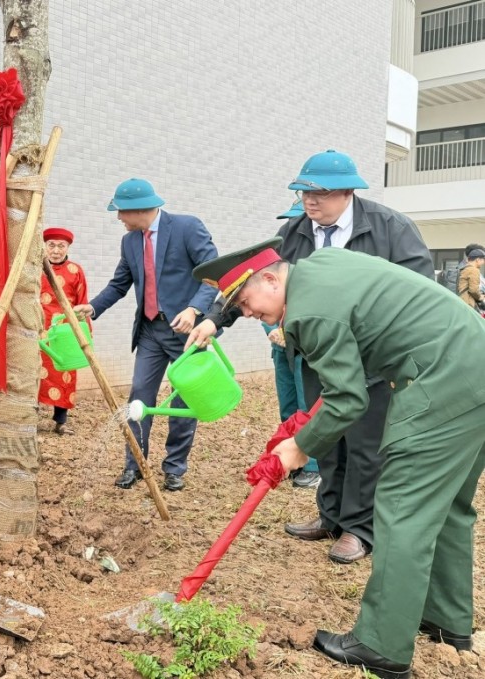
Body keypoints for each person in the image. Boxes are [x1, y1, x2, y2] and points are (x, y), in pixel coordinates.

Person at [193, 239, 485, 679]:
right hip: (473, 364)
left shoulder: (309, 311)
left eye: (245, 301)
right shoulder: (321, 267)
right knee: (448, 507)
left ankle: (381, 645)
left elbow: (347, 400)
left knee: (403, 510)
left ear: (271, 279)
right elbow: (348, 370)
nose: (247, 313)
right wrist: (301, 427)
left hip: (439, 380)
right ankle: (447, 620)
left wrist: (298, 448)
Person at [186, 150, 433, 563]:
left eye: (319, 194)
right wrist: (215, 320)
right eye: (303, 193)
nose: (309, 202)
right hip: (319, 353)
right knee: (327, 436)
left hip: (374, 360)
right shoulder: (297, 232)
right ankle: (331, 515)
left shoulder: (391, 228)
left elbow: (419, 290)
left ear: (348, 192)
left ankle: (359, 528)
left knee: (365, 444)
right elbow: (255, 280)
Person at [73, 178, 218, 492]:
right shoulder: (130, 242)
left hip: (187, 333)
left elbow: (213, 275)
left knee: (183, 400)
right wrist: (93, 307)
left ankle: (175, 468)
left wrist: (194, 310)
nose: (118, 218)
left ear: (138, 210)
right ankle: (135, 463)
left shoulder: (187, 228)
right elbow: (119, 284)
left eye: (121, 212)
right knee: (139, 394)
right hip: (151, 330)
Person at [268, 198, 318, 489]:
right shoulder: (279, 260)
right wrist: (271, 328)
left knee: (306, 403)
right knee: (287, 403)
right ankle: (289, 457)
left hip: (305, 346)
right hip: (280, 345)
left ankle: (311, 464)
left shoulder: (314, 266)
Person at [39, 227, 90, 435]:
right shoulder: (36, 269)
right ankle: (29, 418)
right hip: (40, 330)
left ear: (68, 247)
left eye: (61, 246)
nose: (56, 250)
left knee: (65, 372)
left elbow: (83, 302)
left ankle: (61, 421)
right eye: (51, 245)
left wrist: (85, 335)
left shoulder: (75, 271)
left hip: (65, 332)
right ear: (45, 247)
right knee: (34, 372)